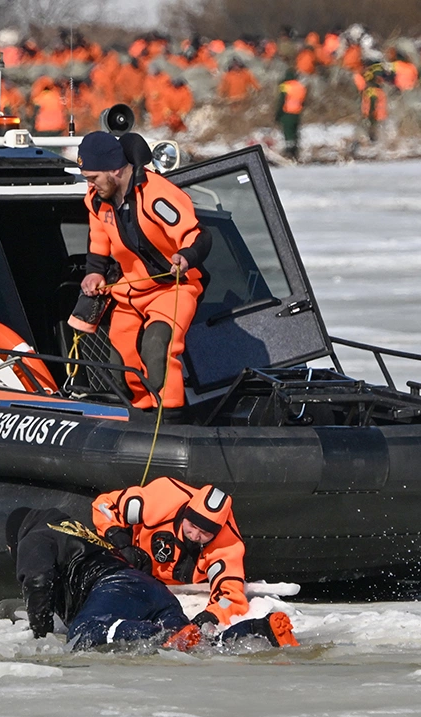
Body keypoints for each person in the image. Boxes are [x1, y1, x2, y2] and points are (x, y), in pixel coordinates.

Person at [6, 506, 297, 651]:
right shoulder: (77, 531)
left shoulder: (35, 537)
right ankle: (260, 629)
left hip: (112, 587)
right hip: (151, 591)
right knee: (199, 646)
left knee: (85, 631)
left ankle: (164, 636)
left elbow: (38, 582)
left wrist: (41, 640)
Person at [76, 131, 212, 415]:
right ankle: (141, 412)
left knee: (157, 345)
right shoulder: (97, 199)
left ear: (115, 169)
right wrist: (94, 272)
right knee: (121, 358)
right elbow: (99, 239)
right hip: (132, 288)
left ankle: (170, 415)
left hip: (174, 287)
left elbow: (197, 235)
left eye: (93, 177)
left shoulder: (157, 195)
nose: (89, 184)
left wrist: (186, 257)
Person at [91, 476, 251, 631]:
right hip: (136, 567)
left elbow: (230, 599)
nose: (195, 536)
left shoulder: (228, 546)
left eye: (204, 533)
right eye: (192, 526)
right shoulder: (162, 497)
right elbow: (104, 505)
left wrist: (211, 616)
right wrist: (123, 544)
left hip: (176, 592)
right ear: (185, 515)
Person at [275, 69, 307, 161]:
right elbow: (304, 100)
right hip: (297, 113)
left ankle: (289, 152)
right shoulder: (300, 86)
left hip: (287, 112)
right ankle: (295, 152)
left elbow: (282, 100)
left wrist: (278, 114)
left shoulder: (285, 86)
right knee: (294, 132)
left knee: (288, 132)